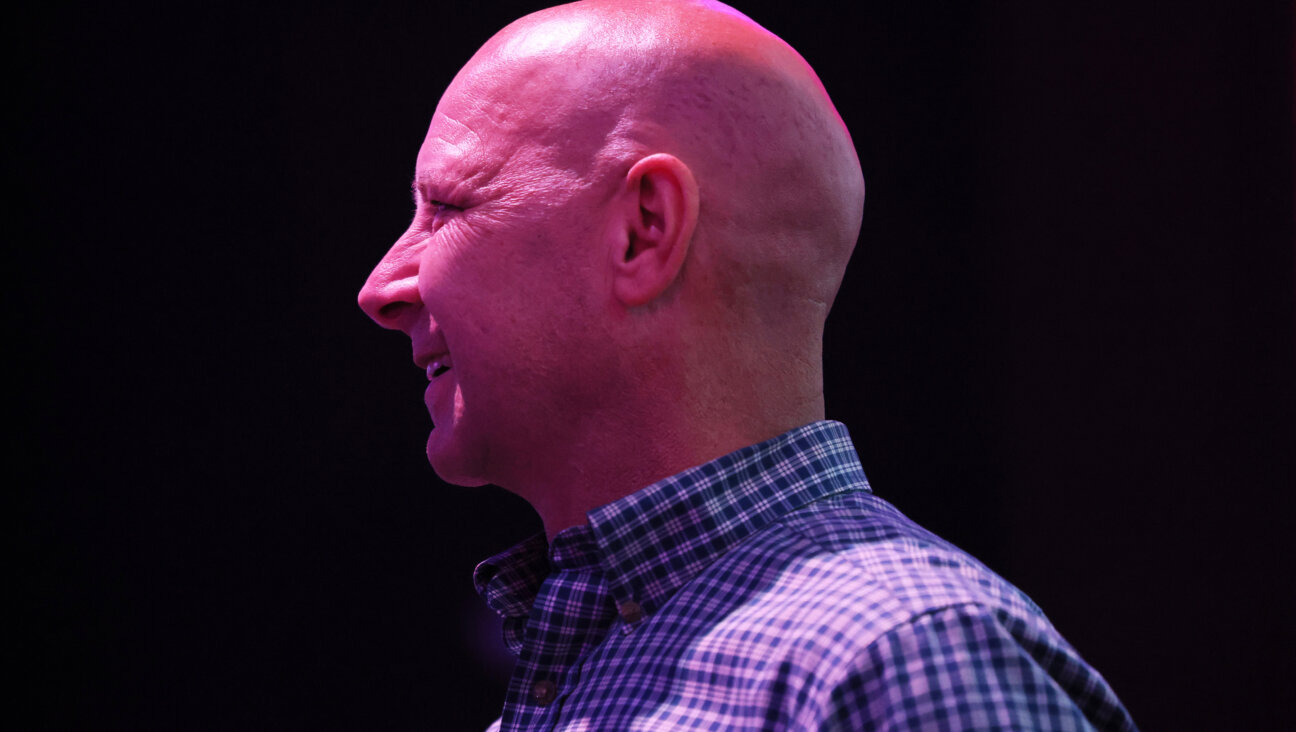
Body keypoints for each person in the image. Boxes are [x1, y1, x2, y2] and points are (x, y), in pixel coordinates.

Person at [357, 1, 1137, 729]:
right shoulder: (606, 662)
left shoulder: (900, 660)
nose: (380, 289)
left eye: (451, 207)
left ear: (644, 232)